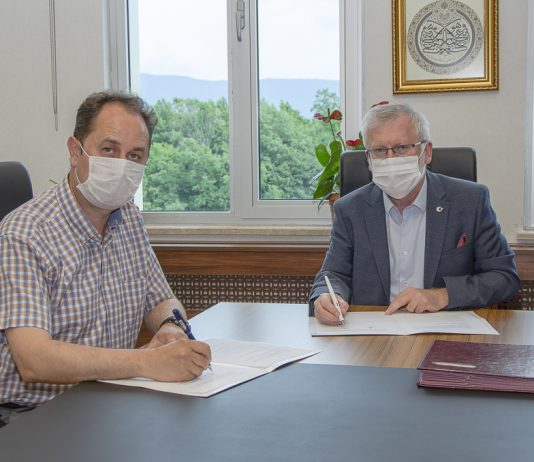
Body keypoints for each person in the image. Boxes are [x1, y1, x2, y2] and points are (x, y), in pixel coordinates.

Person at [0, 91, 211, 423]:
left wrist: (170, 327)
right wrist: (147, 362)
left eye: (135, 155)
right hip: (33, 416)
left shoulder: (129, 217)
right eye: (109, 150)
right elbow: (34, 360)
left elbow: (161, 299)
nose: (121, 165)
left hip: (109, 403)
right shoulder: (24, 234)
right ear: (75, 151)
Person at [310, 103, 520, 325]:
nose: (390, 159)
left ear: (426, 152)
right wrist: (326, 297)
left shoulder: (470, 201)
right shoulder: (350, 209)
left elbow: (504, 277)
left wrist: (443, 295)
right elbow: (333, 275)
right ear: (368, 159)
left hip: (444, 328)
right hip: (374, 331)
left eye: (401, 148)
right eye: (379, 151)